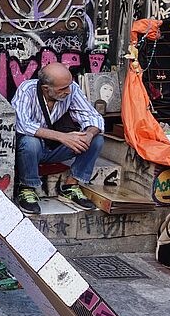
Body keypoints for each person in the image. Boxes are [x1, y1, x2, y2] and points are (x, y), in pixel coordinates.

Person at [11, 63, 104, 214]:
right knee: (30, 142)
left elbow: (93, 117)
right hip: (30, 151)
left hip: (54, 148)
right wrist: (63, 137)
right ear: (46, 88)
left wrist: (88, 134)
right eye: (62, 89)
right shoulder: (26, 90)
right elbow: (22, 125)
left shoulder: (71, 88)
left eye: (69, 86)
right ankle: (26, 187)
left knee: (96, 139)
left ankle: (70, 186)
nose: (68, 91)